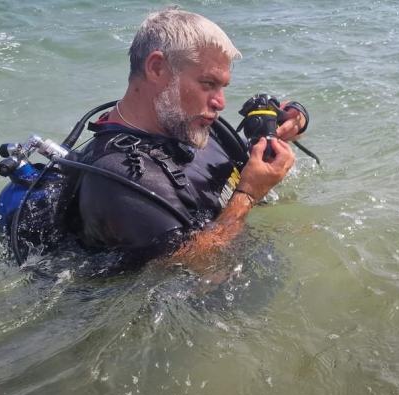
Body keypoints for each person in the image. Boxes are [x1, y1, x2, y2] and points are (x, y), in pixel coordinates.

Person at [46, 8, 308, 268]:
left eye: (222, 87)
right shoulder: (121, 181)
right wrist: (248, 195)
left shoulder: (190, 122)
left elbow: (251, 164)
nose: (220, 102)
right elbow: (199, 269)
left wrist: (290, 122)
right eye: (208, 84)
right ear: (157, 68)